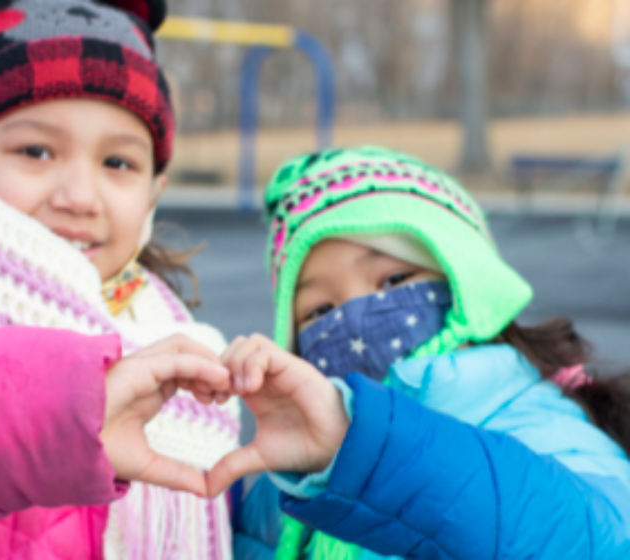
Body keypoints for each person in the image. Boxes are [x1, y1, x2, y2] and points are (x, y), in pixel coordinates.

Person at [0, 1, 239, 558]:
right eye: (36, 151)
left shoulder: (178, 347)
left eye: (118, 164)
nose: (80, 198)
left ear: (155, 192)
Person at [208, 146, 630, 559]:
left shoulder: (542, 426)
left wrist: (369, 451)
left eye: (393, 280)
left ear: (470, 283)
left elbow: (595, 541)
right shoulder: (291, 479)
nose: (354, 317)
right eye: (320, 309)